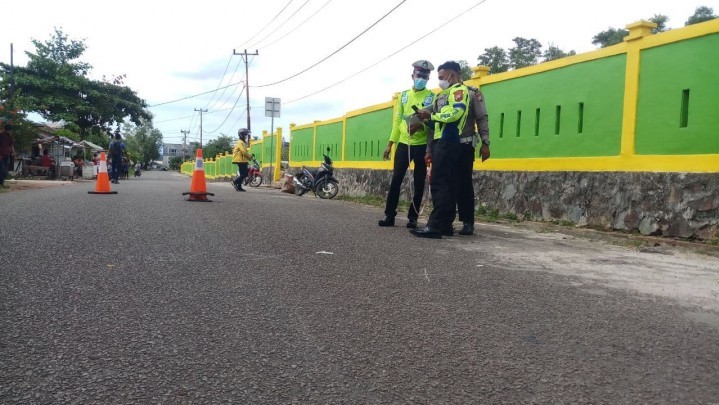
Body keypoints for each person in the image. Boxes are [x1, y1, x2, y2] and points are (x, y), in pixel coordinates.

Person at [411, 61, 471, 239]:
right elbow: (437, 122)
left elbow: (455, 113)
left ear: (453, 75)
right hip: (442, 140)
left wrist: (433, 115)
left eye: (442, 78)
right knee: (448, 183)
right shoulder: (444, 94)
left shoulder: (459, 91)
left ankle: (435, 226)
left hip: (447, 141)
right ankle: (445, 225)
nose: (440, 81)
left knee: (439, 183)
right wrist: (426, 119)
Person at [378, 60, 436, 229]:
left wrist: (420, 125)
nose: (422, 78)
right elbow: (397, 121)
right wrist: (390, 144)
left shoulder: (431, 97)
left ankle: (413, 217)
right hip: (404, 144)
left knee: (418, 182)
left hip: (421, 145)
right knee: (396, 180)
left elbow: (432, 122)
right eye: (419, 75)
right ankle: (389, 215)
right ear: (413, 76)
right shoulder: (403, 96)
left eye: (425, 76)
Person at [455, 84, 491, 235]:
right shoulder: (444, 94)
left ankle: (467, 222)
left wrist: (485, 142)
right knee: (446, 184)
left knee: (464, 184)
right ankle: (445, 220)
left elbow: (481, 117)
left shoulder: (472, 93)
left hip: (465, 145)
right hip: (446, 146)